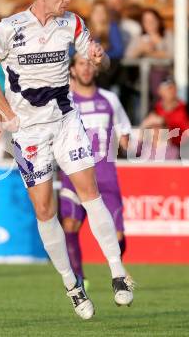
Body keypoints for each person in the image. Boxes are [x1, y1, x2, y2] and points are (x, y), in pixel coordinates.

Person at [0, 0, 134, 320]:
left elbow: (102, 61)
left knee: (89, 192)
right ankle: (72, 284)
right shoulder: (8, 29)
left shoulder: (73, 24)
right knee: (46, 210)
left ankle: (118, 272)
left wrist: (100, 57)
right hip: (28, 132)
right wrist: (5, 112)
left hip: (65, 121)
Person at [59, 53, 131, 285]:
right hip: (74, 173)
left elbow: (125, 133)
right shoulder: (65, 100)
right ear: (72, 70)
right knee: (70, 223)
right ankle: (80, 280)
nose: (87, 68)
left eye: (90, 63)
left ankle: (117, 271)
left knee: (119, 237)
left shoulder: (110, 99)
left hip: (105, 175)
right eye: (81, 63)